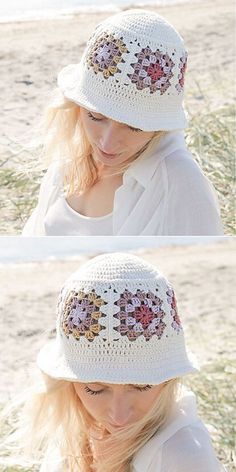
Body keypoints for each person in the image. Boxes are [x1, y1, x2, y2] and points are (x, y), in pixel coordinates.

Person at [0, 253, 226, 471]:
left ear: (169, 379)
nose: (119, 416)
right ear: (67, 382)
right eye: (95, 390)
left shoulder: (183, 455)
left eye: (141, 386)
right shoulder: (74, 435)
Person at [22, 9, 224, 236]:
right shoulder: (71, 155)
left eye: (134, 127)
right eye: (96, 117)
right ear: (77, 105)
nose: (107, 144)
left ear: (158, 126)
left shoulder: (180, 182)